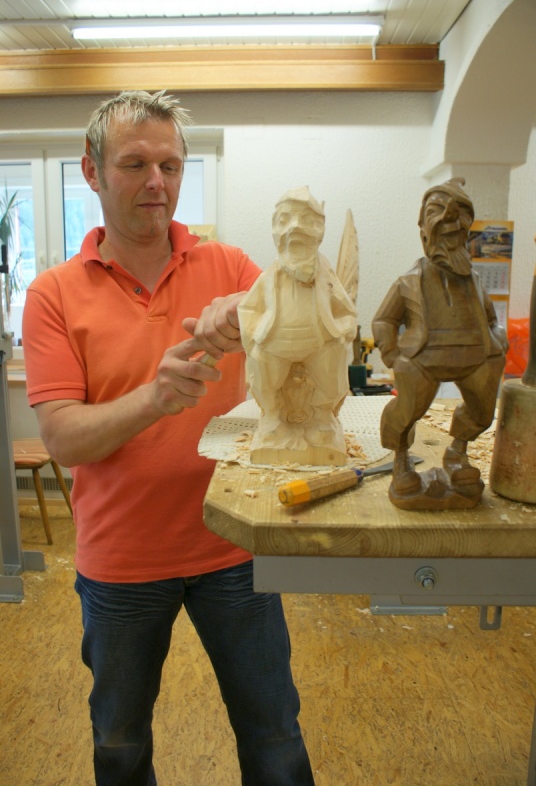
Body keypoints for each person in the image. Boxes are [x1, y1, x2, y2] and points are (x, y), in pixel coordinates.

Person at [22, 90, 315, 786]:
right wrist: (155, 398)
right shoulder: (53, 295)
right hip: (121, 562)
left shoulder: (228, 265)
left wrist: (251, 306)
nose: (157, 182)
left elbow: (298, 314)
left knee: (274, 733)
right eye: (135, 164)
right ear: (91, 171)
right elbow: (64, 439)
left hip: (233, 544)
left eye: (171, 165)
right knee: (120, 742)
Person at [372, 177, 508, 500]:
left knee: (483, 412)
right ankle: (401, 460)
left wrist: (497, 340)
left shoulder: (474, 280)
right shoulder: (408, 281)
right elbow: (384, 319)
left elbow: (491, 319)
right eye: (442, 231)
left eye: (458, 232)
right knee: (407, 411)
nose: (451, 237)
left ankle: (457, 454)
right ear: (424, 233)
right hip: (423, 360)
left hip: (476, 359)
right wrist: (391, 354)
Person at [238, 186, 356, 465]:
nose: (295, 228)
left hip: (318, 342)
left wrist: (345, 328)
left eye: (305, 220)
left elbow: (344, 308)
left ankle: (322, 419)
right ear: (275, 230)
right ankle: (273, 418)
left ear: (319, 231)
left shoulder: (325, 274)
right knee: (261, 366)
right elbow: (248, 308)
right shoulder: (271, 275)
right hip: (275, 344)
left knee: (333, 363)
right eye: (285, 220)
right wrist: (253, 335)